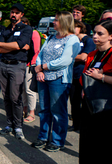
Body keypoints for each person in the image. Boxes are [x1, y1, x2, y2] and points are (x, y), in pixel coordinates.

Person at [73, 20, 112, 164]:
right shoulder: (93, 54)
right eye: (94, 33)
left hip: (106, 108)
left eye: (100, 34)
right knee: (87, 145)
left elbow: (97, 76)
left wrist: (102, 77)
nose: (95, 36)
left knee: (102, 149)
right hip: (89, 105)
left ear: (111, 36)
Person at [31, 11, 80, 152]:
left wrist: (44, 67)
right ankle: (43, 137)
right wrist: (39, 71)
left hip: (59, 79)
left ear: (64, 22)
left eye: (57, 20)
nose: (54, 22)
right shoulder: (51, 37)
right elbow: (41, 54)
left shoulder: (72, 39)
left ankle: (57, 141)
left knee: (58, 111)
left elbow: (65, 61)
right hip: (43, 78)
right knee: (45, 109)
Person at [0, 3, 33, 140]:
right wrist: (16, 47)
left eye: (17, 13)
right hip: (3, 65)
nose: (14, 15)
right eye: (12, 12)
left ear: (21, 15)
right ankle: (9, 124)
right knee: (5, 97)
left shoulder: (26, 29)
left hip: (17, 66)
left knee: (15, 97)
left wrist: (5, 45)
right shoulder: (5, 30)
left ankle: (18, 126)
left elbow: (17, 44)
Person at [68, 20, 95, 131]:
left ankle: (83, 125)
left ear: (80, 27)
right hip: (72, 74)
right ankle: (76, 124)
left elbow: (84, 57)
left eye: (74, 27)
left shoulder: (88, 41)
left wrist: (66, 57)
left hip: (83, 75)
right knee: (73, 101)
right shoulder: (73, 40)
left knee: (83, 102)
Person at [21, 17, 41, 123]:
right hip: (22, 63)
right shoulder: (22, 33)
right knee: (23, 89)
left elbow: (37, 50)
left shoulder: (34, 33)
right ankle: (24, 108)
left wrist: (32, 64)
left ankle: (32, 112)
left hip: (30, 64)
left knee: (29, 90)